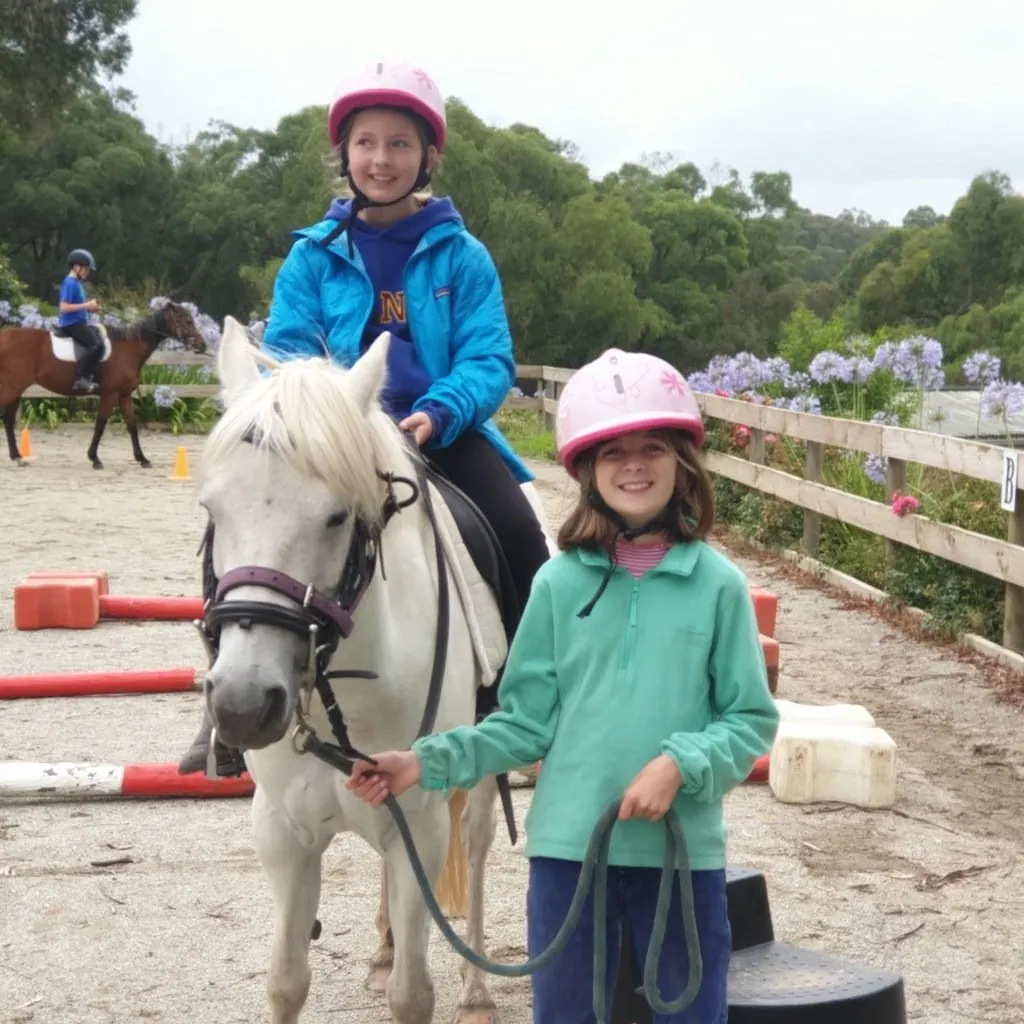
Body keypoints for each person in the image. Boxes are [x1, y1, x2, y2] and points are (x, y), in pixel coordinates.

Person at [346, 348, 781, 1023]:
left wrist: (681, 763)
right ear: (586, 470)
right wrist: (422, 762)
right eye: (613, 453)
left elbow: (750, 718)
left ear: (681, 463)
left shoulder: (718, 586)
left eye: (651, 449)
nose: (633, 466)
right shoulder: (557, 584)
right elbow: (522, 724)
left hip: (683, 858)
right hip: (567, 857)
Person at [177, 61, 551, 775]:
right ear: (345, 155)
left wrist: (441, 411)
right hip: (329, 439)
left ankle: (519, 702)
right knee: (234, 531)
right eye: (367, 143)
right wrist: (308, 420)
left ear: (428, 156)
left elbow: (489, 358)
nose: (381, 160)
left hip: (436, 432)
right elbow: (286, 353)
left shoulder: (464, 257)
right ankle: (222, 708)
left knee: (519, 534)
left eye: (400, 144)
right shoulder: (312, 256)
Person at [57, 248, 103, 394]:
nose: (87, 273)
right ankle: (80, 378)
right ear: (77, 267)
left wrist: (91, 309)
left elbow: (77, 306)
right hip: (70, 324)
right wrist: (86, 305)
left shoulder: (77, 283)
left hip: (79, 321)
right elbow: (64, 307)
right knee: (94, 343)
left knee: (100, 342)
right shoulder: (69, 283)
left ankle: (91, 375)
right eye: (86, 270)